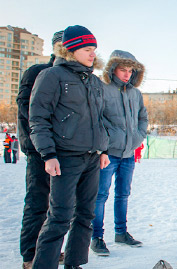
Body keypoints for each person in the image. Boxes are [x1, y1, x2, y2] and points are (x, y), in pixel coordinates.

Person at [29, 25, 110, 269]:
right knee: (59, 217)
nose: (92, 54)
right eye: (87, 49)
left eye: (94, 49)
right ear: (71, 50)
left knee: (85, 215)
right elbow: (38, 118)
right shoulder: (52, 76)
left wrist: (104, 149)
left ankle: (74, 264)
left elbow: (100, 119)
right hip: (65, 157)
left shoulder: (94, 81)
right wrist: (48, 154)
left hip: (92, 158)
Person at [90, 50, 147, 255]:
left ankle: (121, 233)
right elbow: (96, 119)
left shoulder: (135, 94)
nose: (127, 74)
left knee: (123, 194)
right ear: (113, 69)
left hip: (128, 153)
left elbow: (143, 118)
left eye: (131, 70)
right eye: (123, 69)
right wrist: (103, 147)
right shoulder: (102, 89)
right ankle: (96, 237)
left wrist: (137, 138)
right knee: (100, 195)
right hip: (107, 153)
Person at [18, 31, 66, 269]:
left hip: (64, 152)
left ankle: (50, 250)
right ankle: (30, 255)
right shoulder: (37, 72)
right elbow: (28, 112)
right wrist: (38, 144)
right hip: (39, 150)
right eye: (62, 45)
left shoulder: (72, 76)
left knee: (58, 206)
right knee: (38, 202)